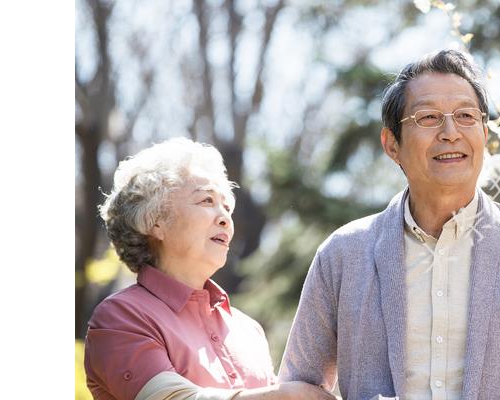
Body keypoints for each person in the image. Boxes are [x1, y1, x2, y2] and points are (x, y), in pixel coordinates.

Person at [278, 50, 500, 400]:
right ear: (391, 145)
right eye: (428, 117)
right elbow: (296, 387)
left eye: (465, 116)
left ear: (484, 134)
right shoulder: (343, 255)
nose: (450, 132)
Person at [84, 138, 335, 400]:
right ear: (155, 220)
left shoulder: (248, 329)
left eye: (226, 207)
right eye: (206, 201)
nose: (225, 218)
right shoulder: (120, 317)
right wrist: (285, 397)